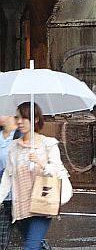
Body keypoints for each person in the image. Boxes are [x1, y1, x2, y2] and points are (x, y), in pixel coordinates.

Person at [0, 103, 67, 250]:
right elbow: (7, 177)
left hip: (42, 204)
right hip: (21, 206)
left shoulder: (48, 144)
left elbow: (56, 172)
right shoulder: (14, 146)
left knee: (30, 246)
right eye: (17, 117)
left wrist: (41, 163)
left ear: (36, 119)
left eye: (24, 118)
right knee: (36, 245)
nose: (19, 122)